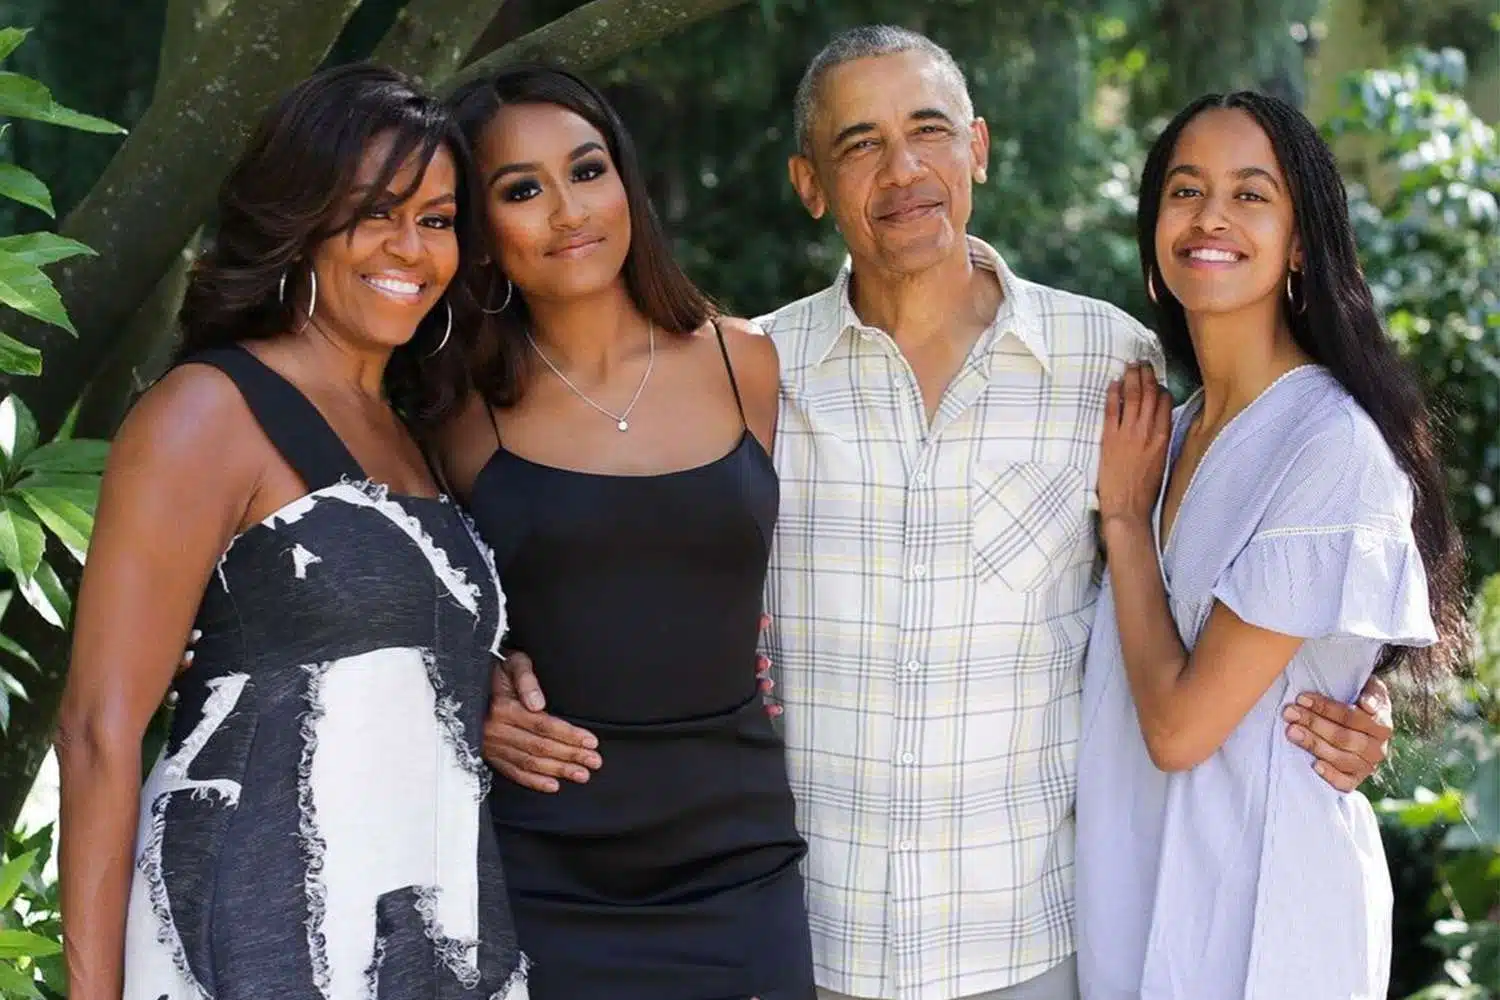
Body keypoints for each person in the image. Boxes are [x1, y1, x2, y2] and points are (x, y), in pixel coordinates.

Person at [481, 27, 1399, 1000]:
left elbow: (1206, 574)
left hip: (1028, 947)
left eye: (928, 130)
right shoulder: (752, 375)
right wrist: (485, 669)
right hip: (809, 944)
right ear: (809, 183)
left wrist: (1354, 686)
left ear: (979, 150)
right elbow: (626, 563)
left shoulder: (1110, 364)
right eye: (860, 143)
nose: (903, 169)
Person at [54, 64, 527, 1000]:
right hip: (251, 944)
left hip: (422, 939)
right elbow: (97, 732)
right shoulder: (208, 412)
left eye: (436, 220)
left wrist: (498, 682)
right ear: (300, 219)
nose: (410, 248)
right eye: (375, 213)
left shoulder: (410, 429)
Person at [1074, 92, 1467, 1000]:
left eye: (1250, 194)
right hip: (1133, 901)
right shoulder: (1163, 432)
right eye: (1185, 190)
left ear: (1299, 243)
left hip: (1266, 924)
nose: (1210, 216)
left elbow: (1179, 730)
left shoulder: (1328, 445)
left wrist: (1125, 523)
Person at [436, 66, 813, 1000]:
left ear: (625, 181)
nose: (569, 211)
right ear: (480, 230)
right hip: (545, 866)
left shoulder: (745, 363)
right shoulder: (455, 413)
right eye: (521, 190)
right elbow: (405, 601)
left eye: (586, 170)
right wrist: (472, 689)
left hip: (739, 858)